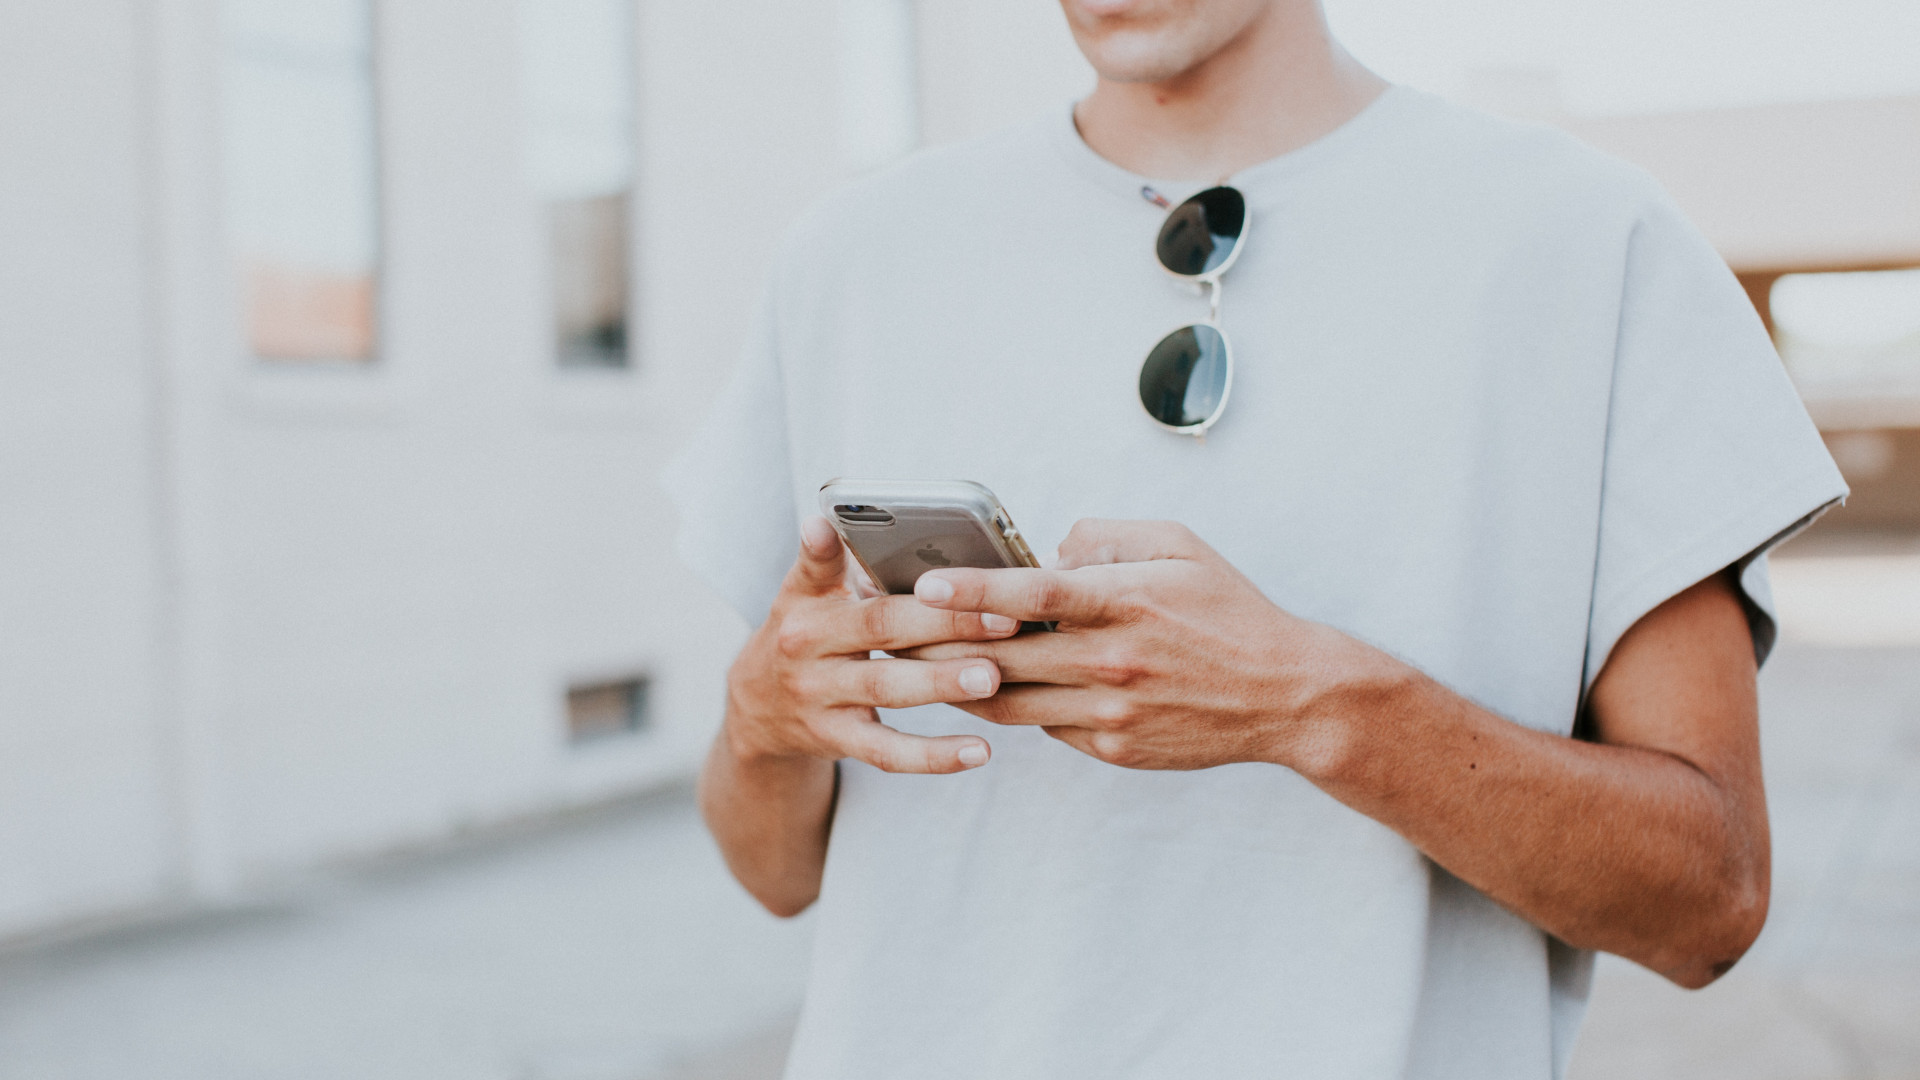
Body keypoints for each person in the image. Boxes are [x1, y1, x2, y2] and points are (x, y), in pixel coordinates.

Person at [663, 1, 1847, 1076]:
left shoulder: (1588, 243)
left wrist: (1313, 708)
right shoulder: (853, 256)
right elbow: (774, 874)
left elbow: (1708, 906)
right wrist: (763, 720)